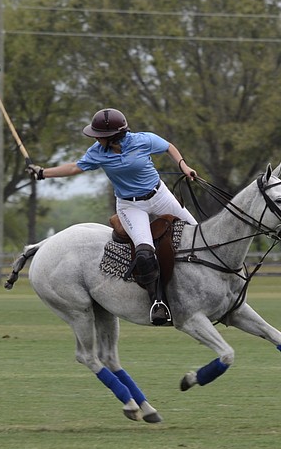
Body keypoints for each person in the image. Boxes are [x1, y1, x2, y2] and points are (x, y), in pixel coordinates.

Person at [26, 108, 199, 326]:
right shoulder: (97, 152)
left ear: (113, 136)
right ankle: (158, 302)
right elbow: (74, 168)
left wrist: (184, 166)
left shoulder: (143, 140)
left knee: (197, 236)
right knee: (145, 252)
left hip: (160, 196)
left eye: (99, 135)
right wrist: (43, 173)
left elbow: (168, 147)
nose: (95, 138)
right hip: (130, 206)